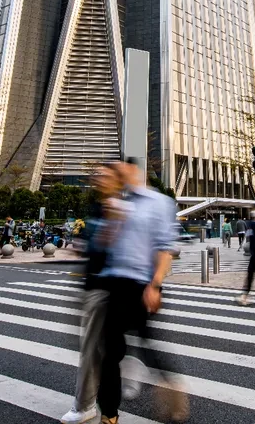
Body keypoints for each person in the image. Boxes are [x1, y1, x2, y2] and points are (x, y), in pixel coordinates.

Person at [92, 160, 187, 423]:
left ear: (135, 171)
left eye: (122, 170)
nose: (118, 175)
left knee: (147, 344)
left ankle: (171, 387)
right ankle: (109, 413)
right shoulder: (121, 202)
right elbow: (105, 245)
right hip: (115, 284)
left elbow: (166, 248)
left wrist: (155, 285)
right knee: (110, 350)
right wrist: (111, 217)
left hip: (141, 285)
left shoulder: (159, 203)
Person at [63, 166, 119, 424]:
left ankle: (86, 405)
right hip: (94, 285)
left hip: (113, 287)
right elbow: (87, 244)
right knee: (97, 347)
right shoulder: (98, 209)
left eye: (103, 174)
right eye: (94, 174)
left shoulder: (120, 208)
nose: (97, 177)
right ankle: (92, 403)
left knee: (96, 348)